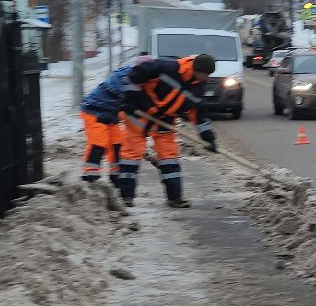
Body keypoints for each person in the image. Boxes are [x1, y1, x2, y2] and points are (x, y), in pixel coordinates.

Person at [80, 53, 218, 207]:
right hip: (140, 114)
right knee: (131, 154)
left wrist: (207, 137)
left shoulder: (198, 89)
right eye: (205, 74)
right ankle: (126, 197)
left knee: (169, 156)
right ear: (196, 69)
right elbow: (134, 75)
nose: (206, 79)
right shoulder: (167, 67)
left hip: (165, 121)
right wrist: (131, 99)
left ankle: (175, 198)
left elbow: (199, 114)